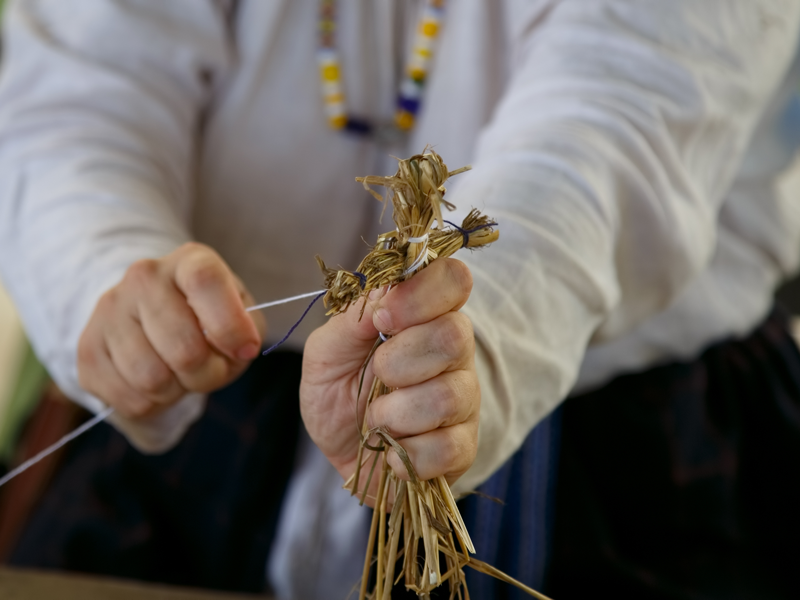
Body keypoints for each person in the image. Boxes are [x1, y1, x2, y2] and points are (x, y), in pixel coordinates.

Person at [0, 1, 799, 599]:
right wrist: (107, 271)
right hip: (217, 408)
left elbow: (613, 128)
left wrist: (468, 340)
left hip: (626, 448)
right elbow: (87, 83)